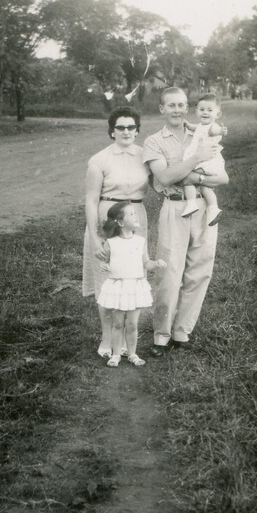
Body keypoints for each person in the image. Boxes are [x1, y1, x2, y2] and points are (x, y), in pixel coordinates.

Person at [142, 87, 229, 356]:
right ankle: (161, 335)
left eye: (181, 105)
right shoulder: (154, 142)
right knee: (169, 273)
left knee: (200, 270)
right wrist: (196, 159)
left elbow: (223, 178)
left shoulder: (202, 131)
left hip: (203, 206)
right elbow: (165, 178)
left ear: (187, 108)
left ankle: (182, 331)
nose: (177, 110)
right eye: (171, 105)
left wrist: (195, 178)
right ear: (162, 109)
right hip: (175, 207)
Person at [82, 107, 150, 359]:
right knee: (108, 280)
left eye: (131, 127)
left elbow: (162, 181)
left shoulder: (145, 156)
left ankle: (126, 338)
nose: (126, 131)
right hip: (107, 218)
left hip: (135, 218)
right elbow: (91, 201)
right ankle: (107, 338)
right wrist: (95, 236)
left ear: (137, 130)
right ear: (112, 131)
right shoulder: (99, 160)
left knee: (131, 276)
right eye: (120, 127)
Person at [97, 202, 166, 367]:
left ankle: (132, 353)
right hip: (119, 287)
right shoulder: (111, 242)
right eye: (132, 214)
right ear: (121, 222)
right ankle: (115, 354)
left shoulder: (140, 241)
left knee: (132, 324)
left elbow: (146, 263)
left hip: (135, 287)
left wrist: (156, 264)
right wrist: (103, 265)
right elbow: (104, 261)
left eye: (135, 213)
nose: (136, 216)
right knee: (117, 323)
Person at [180, 93, 227, 226]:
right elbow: (196, 128)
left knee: (187, 177)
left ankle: (191, 204)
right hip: (204, 160)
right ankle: (213, 208)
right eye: (202, 110)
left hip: (207, 161)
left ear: (217, 114)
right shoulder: (201, 126)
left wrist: (221, 131)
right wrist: (188, 125)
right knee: (205, 187)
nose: (205, 113)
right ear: (197, 111)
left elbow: (214, 131)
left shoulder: (212, 127)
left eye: (210, 110)